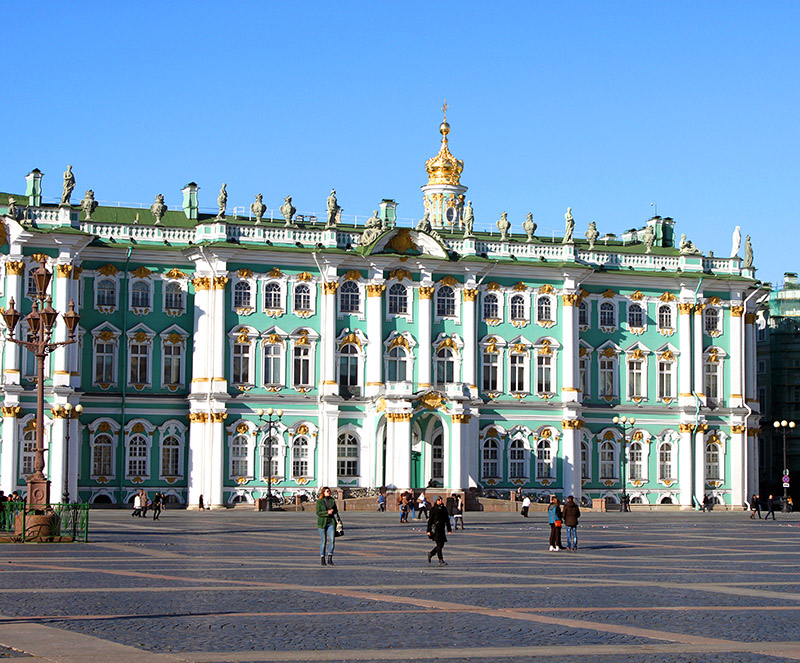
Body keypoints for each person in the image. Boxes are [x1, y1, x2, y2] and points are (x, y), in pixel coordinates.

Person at [316, 486, 339, 566]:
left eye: (329, 491)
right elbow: (318, 512)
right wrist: (327, 513)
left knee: (332, 540)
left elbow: (336, 510)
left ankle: (330, 558)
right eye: (327, 491)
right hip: (322, 523)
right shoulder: (320, 501)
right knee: (324, 541)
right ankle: (322, 558)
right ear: (323, 492)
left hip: (331, 523)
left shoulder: (332, 500)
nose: (329, 492)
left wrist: (333, 511)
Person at [426, 495, 451, 566]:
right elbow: (430, 520)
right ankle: (440, 560)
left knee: (441, 544)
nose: (440, 501)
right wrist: (428, 530)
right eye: (439, 500)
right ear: (435, 501)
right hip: (436, 529)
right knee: (439, 545)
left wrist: (449, 529)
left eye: (441, 499)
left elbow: (447, 519)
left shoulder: (444, 508)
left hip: (442, 529)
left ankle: (431, 553)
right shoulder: (433, 509)